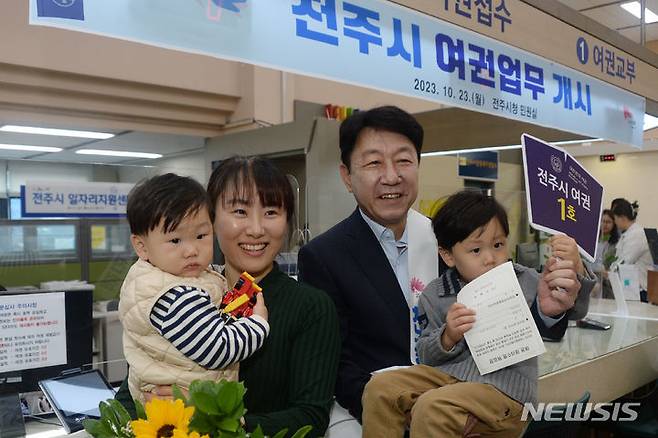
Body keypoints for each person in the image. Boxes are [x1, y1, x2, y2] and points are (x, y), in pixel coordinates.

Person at [297, 105, 586, 425]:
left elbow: (507, 307)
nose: (391, 176)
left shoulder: (455, 241)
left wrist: (550, 309)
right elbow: (333, 364)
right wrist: (401, 414)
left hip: (466, 402)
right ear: (347, 177)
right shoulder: (323, 256)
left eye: (404, 160)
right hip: (372, 414)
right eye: (374, 162)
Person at [117, 158, 341, 437]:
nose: (256, 229)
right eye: (239, 211)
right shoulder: (175, 293)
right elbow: (133, 385)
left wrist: (211, 418)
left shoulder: (311, 308)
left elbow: (310, 417)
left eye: (271, 212)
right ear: (210, 218)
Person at [361, 190, 593, 437]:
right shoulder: (435, 293)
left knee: (432, 407)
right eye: (476, 250)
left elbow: (572, 309)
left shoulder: (524, 279)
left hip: (506, 392)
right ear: (448, 255)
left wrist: (574, 270)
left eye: (498, 245)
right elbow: (425, 354)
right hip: (447, 381)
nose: (490, 258)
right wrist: (448, 337)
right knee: (379, 387)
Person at [119, 173, 269, 402]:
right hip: (185, 415)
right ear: (142, 246)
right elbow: (219, 350)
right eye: (175, 240)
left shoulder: (160, 277)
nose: (191, 250)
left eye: (200, 236)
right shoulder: (173, 296)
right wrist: (258, 324)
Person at [612, 199, 652, 302]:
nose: (615, 223)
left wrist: (609, 271)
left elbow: (625, 261)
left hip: (640, 290)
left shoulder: (637, 234)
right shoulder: (629, 233)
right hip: (632, 288)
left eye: (615, 219)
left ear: (623, 218)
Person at [589, 209, 619, 298]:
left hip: (607, 282)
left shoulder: (616, 244)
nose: (605, 224)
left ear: (614, 224)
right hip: (593, 277)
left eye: (608, 222)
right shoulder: (593, 240)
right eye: (603, 221)